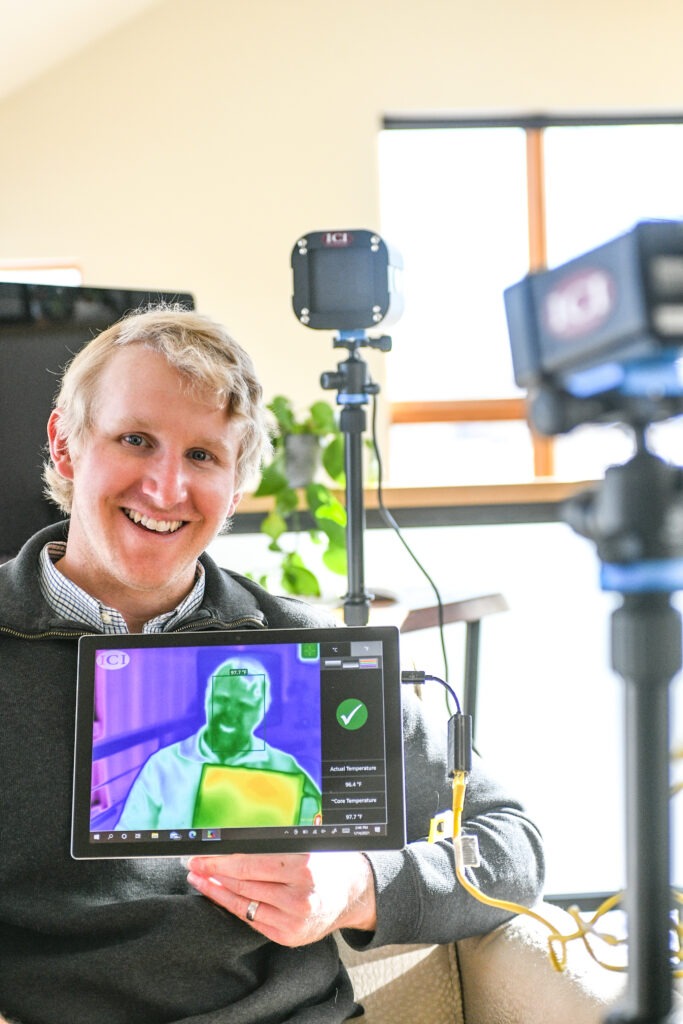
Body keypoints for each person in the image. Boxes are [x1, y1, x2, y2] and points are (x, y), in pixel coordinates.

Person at [0, 306, 545, 1024]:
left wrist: (355, 885)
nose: (166, 489)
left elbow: (511, 843)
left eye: (203, 456)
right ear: (67, 447)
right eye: (135, 440)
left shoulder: (312, 652)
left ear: (235, 484)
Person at [115, 655, 323, 830]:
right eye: (222, 700)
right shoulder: (163, 765)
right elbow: (125, 845)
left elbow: (321, 832)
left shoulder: (285, 767)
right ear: (207, 700)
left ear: (261, 711)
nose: (230, 714)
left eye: (244, 705)